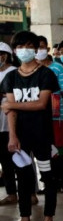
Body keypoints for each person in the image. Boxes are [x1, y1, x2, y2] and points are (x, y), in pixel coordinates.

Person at [1, 31, 61, 221]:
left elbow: (41, 104)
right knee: (23, 177)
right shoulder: (10, 77)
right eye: (19, 47)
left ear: (35, 49)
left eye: (27, 46)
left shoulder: (46, 74)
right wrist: (12, 136)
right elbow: (11, 111)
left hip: (43, 135)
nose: (23, 50)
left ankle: (48, 219)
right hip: (21, 137)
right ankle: (24, 218)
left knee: (47, 176)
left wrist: (10, 104)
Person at [41, 38, 63, 194]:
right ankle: (49, 183)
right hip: (39, 117)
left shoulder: (58, 68)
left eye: (40, 47)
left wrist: (49, 94)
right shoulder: (32, 70)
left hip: (56, 115)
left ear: (45, 48)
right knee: (45, 151)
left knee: (61, 150)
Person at [0, 42, 18, 206]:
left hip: (10, 124)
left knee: (16, 159)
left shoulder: (13, 73)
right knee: (4, 162)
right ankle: (11, 192)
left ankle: (30, 192)